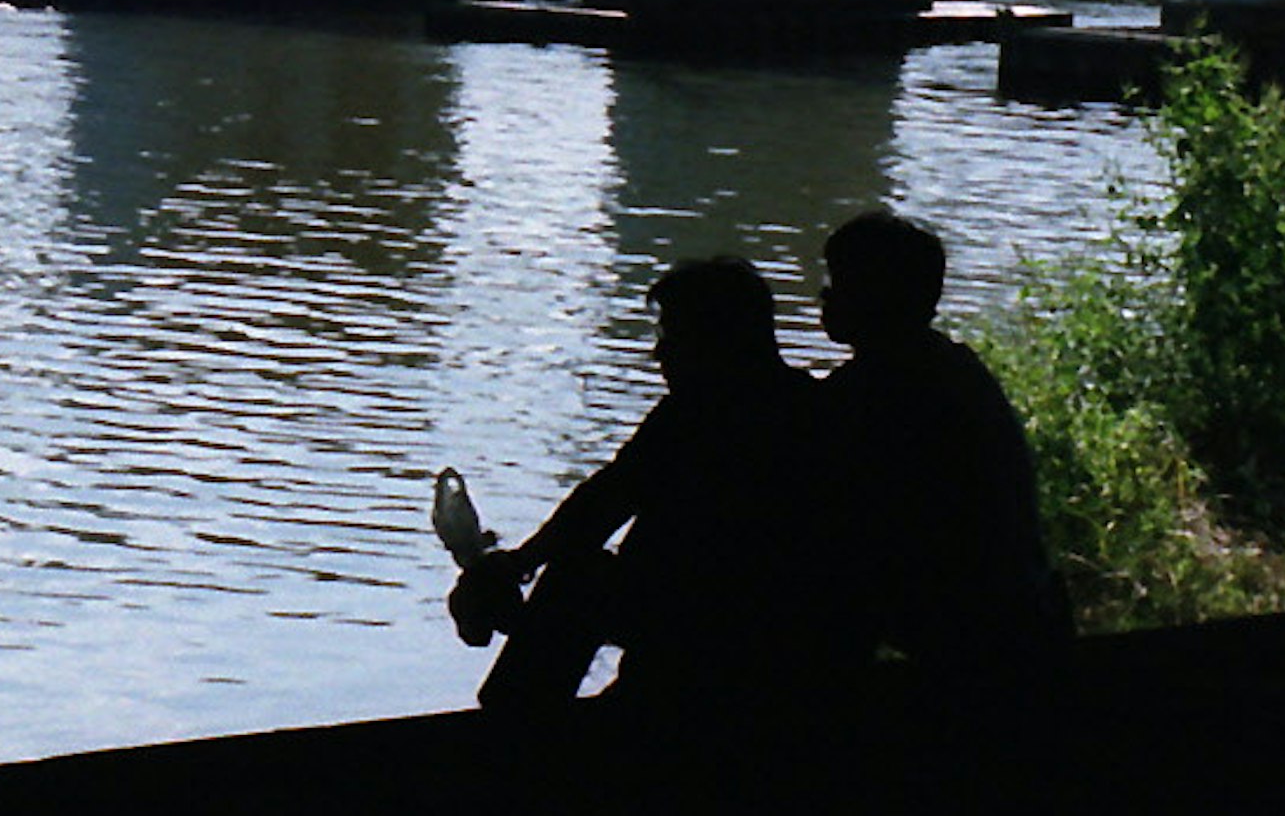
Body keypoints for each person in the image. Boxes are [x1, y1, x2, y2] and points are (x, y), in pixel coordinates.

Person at [459, 256, 847, 714]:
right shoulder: (807, 406)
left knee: (577, 579)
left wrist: (519, 565)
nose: (659, 353)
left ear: (713, 340)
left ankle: (513, 726)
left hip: (708, 618)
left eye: (671, 335)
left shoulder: (699, 414)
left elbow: (606, 501)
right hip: (776, 624)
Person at [811, 208, 1074, 680]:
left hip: (964, 630)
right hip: (1016, 612)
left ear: (876, 295)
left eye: (840, 282)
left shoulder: (879, 388)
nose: (825, 296)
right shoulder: (954, 369)